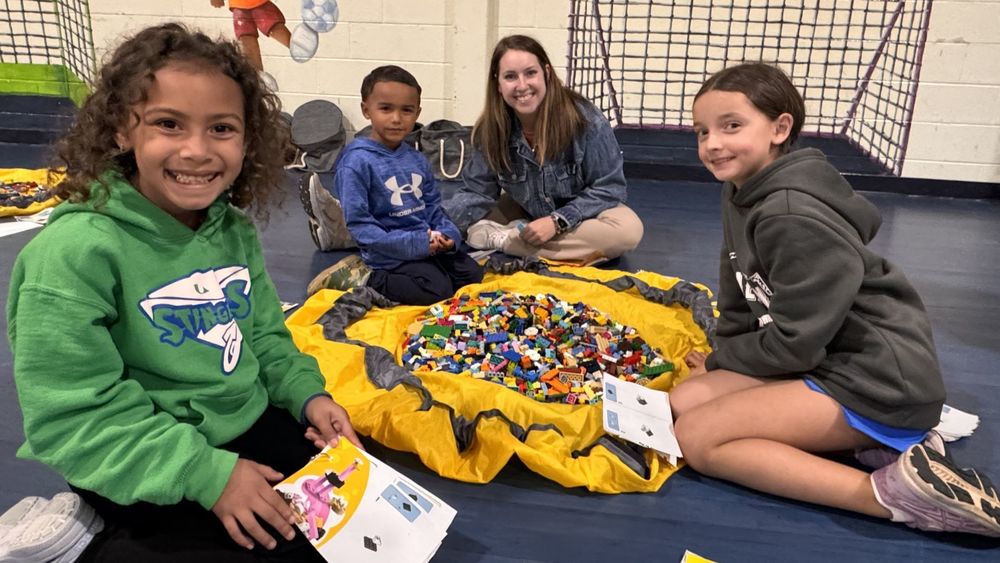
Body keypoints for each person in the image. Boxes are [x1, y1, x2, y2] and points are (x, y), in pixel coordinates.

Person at [6, 23, 363, 561]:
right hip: (140, 450)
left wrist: (309, 397)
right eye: (169, 124)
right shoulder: (73, 253)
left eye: (221, 128)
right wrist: (208, 475)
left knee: (354, 523)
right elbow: (75, 416)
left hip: (242, 422)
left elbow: (265, 335)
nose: (196, 151)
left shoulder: (231, 230)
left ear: (247, 141)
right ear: (123, 130)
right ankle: (89, 541)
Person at [673, 62, 999, 537]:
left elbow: (794, 347)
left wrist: (726, 358)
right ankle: (876, 446)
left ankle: (894, 498)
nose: (712, 144)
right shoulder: (741, 189)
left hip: (877, 382)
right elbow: (739, 289)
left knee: (697, 439)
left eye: (732, 126)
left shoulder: (789, 213)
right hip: (826, 357)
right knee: (687, 398)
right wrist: (726, 355)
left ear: (780, 128)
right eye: (702, 131)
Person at [443, 35, 643, 266]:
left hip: (582, 214)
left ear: (546, 73)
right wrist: (435, 226)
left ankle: (509, 242)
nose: (522, 85)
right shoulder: (491, 129)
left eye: (530, 73)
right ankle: (556, 246)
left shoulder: (585, 120)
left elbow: (610, 187)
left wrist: (557, 221)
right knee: (464, 220)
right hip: (525, 207)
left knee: (628, 231)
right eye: (510, 77)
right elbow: (477, 193)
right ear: (498, 84)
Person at [308, 65, 484, 306]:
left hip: (424, 246)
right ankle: (363, 278)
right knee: (437, 290)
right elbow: (362, 227)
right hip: (388, 254)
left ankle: (427, 265)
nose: (396, 119)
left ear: (418, 112)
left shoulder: (417, 159)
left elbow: (433, 208)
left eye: (407, 110)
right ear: (366, 109)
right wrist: (418, 244)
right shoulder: (356, 163)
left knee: (472, 275)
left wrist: (448, 237)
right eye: (386, 109)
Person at [211, 0, 291, 73]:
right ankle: (257, 74)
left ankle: (296, 46)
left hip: (259, 3)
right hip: (239, 6)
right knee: (246, 37)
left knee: (273, 26)